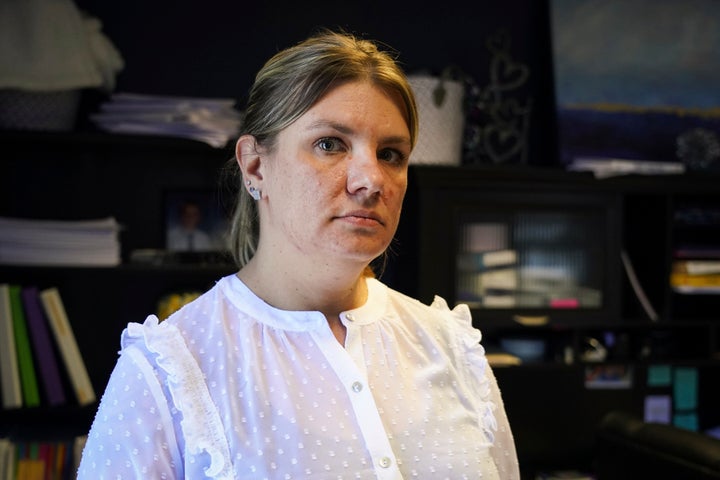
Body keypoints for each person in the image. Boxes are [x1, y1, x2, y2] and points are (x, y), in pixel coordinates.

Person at [78, 29, 520, 479]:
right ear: (255, 166)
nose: (371, 179)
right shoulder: (170, 370)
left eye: (391, 153)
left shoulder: (450, 348)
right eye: (330, 144)